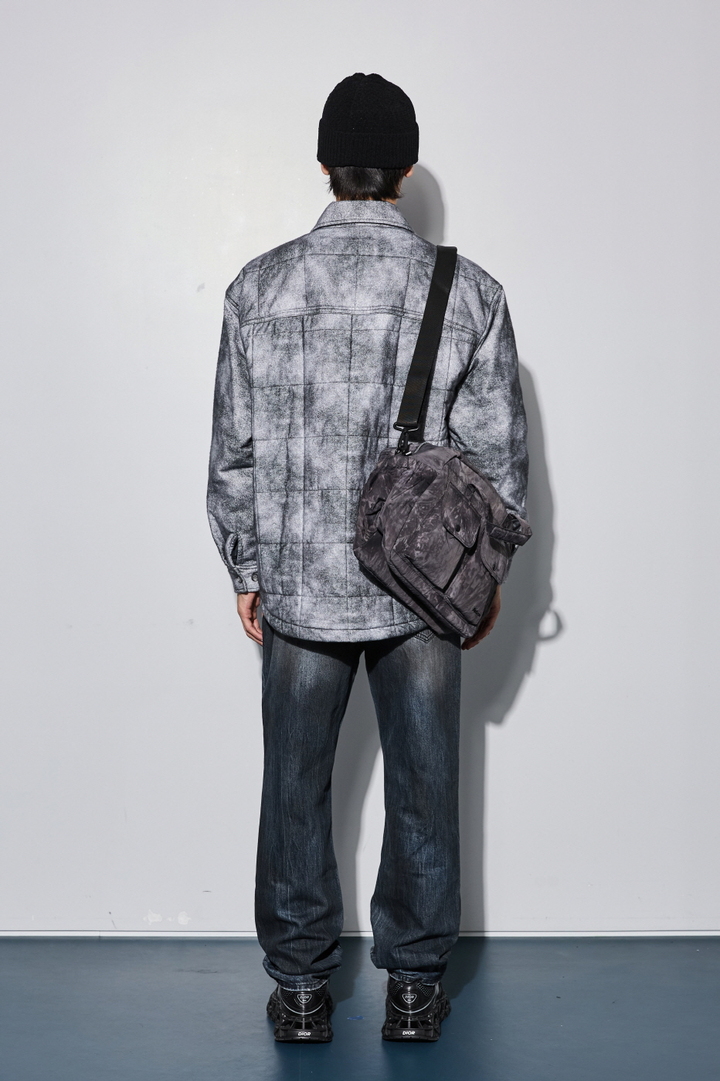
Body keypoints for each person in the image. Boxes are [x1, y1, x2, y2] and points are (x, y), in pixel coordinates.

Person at [207, 72, 529, 1044]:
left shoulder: (258, 286)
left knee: (293, 790)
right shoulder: (468, 290)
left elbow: (234, 451)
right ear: (406, 169)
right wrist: (483, 581)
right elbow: (497, 461)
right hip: (423, 594)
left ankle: (302, 991)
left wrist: (248, 568)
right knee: (425, 789)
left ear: (324, 165)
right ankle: (416, 990)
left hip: (300, 587)